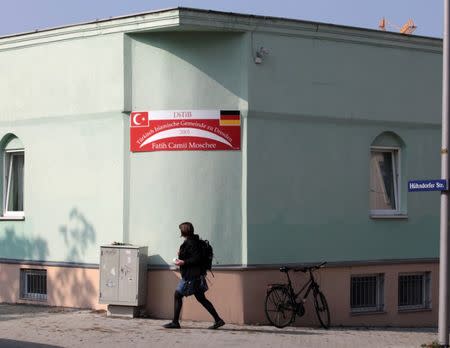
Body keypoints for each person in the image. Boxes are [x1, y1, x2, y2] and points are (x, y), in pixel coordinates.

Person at [163, 222, 225, 329]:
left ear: (183, 231)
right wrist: (181, 255)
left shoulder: (192, 243)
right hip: (197, 276)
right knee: (201, 298)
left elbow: (196, 259)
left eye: (181, 230)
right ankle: (218, 320)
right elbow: (193, 256)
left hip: (191, 276)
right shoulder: (195, 241)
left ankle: (175, 322)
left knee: (177, 295)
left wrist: (183, 262)